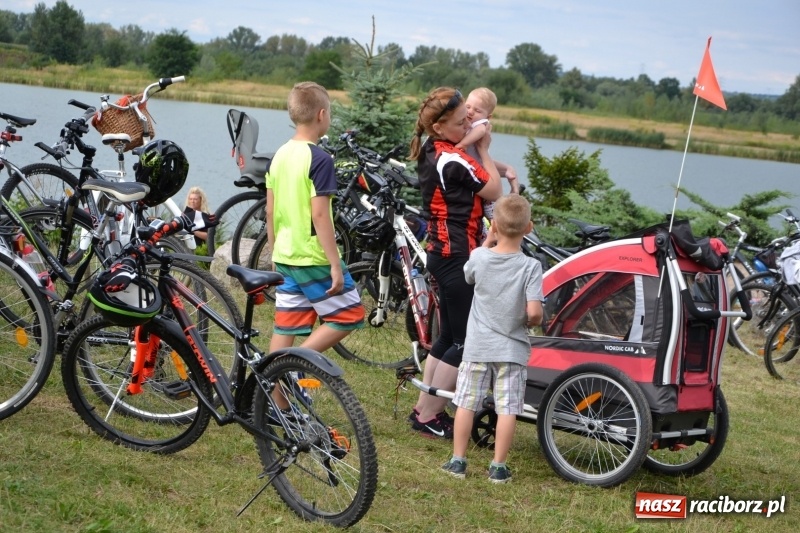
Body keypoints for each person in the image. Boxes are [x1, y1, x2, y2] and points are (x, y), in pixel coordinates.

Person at [408, 87, 503, 439]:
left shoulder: (435, 149)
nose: (469, 124)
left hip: (441, 252)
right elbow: (494, 191)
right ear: (439, 127)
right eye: (462, 121)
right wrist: (485, 149)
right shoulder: (452, 157)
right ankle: (430, 416)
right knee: (465, 341)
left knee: (447, 334)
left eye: (469, 117)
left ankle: (424, 409)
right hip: (457, 255)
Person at [265, 82, 365, 391]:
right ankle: (292, 364)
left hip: (284, 255)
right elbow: (320, 215)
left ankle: (274, 403)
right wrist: (335, 264)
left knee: (287, 327)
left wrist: (272, 251)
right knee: (350, 315)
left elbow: (269, 211)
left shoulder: (279, 155)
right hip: (312, 257)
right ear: (322, 115)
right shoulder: (320, 159)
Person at [441, 194, 544, 483]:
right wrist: (530, 320)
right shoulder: (531, 267)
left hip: (477, 347)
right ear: (529, 228)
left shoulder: (480, 257)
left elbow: (469, 275)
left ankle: (458, 461)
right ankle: (498, 467)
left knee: (466, 402)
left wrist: (487, 242)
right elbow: (534, 312)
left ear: (494, 225)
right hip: (511, 350)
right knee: (508, 408)